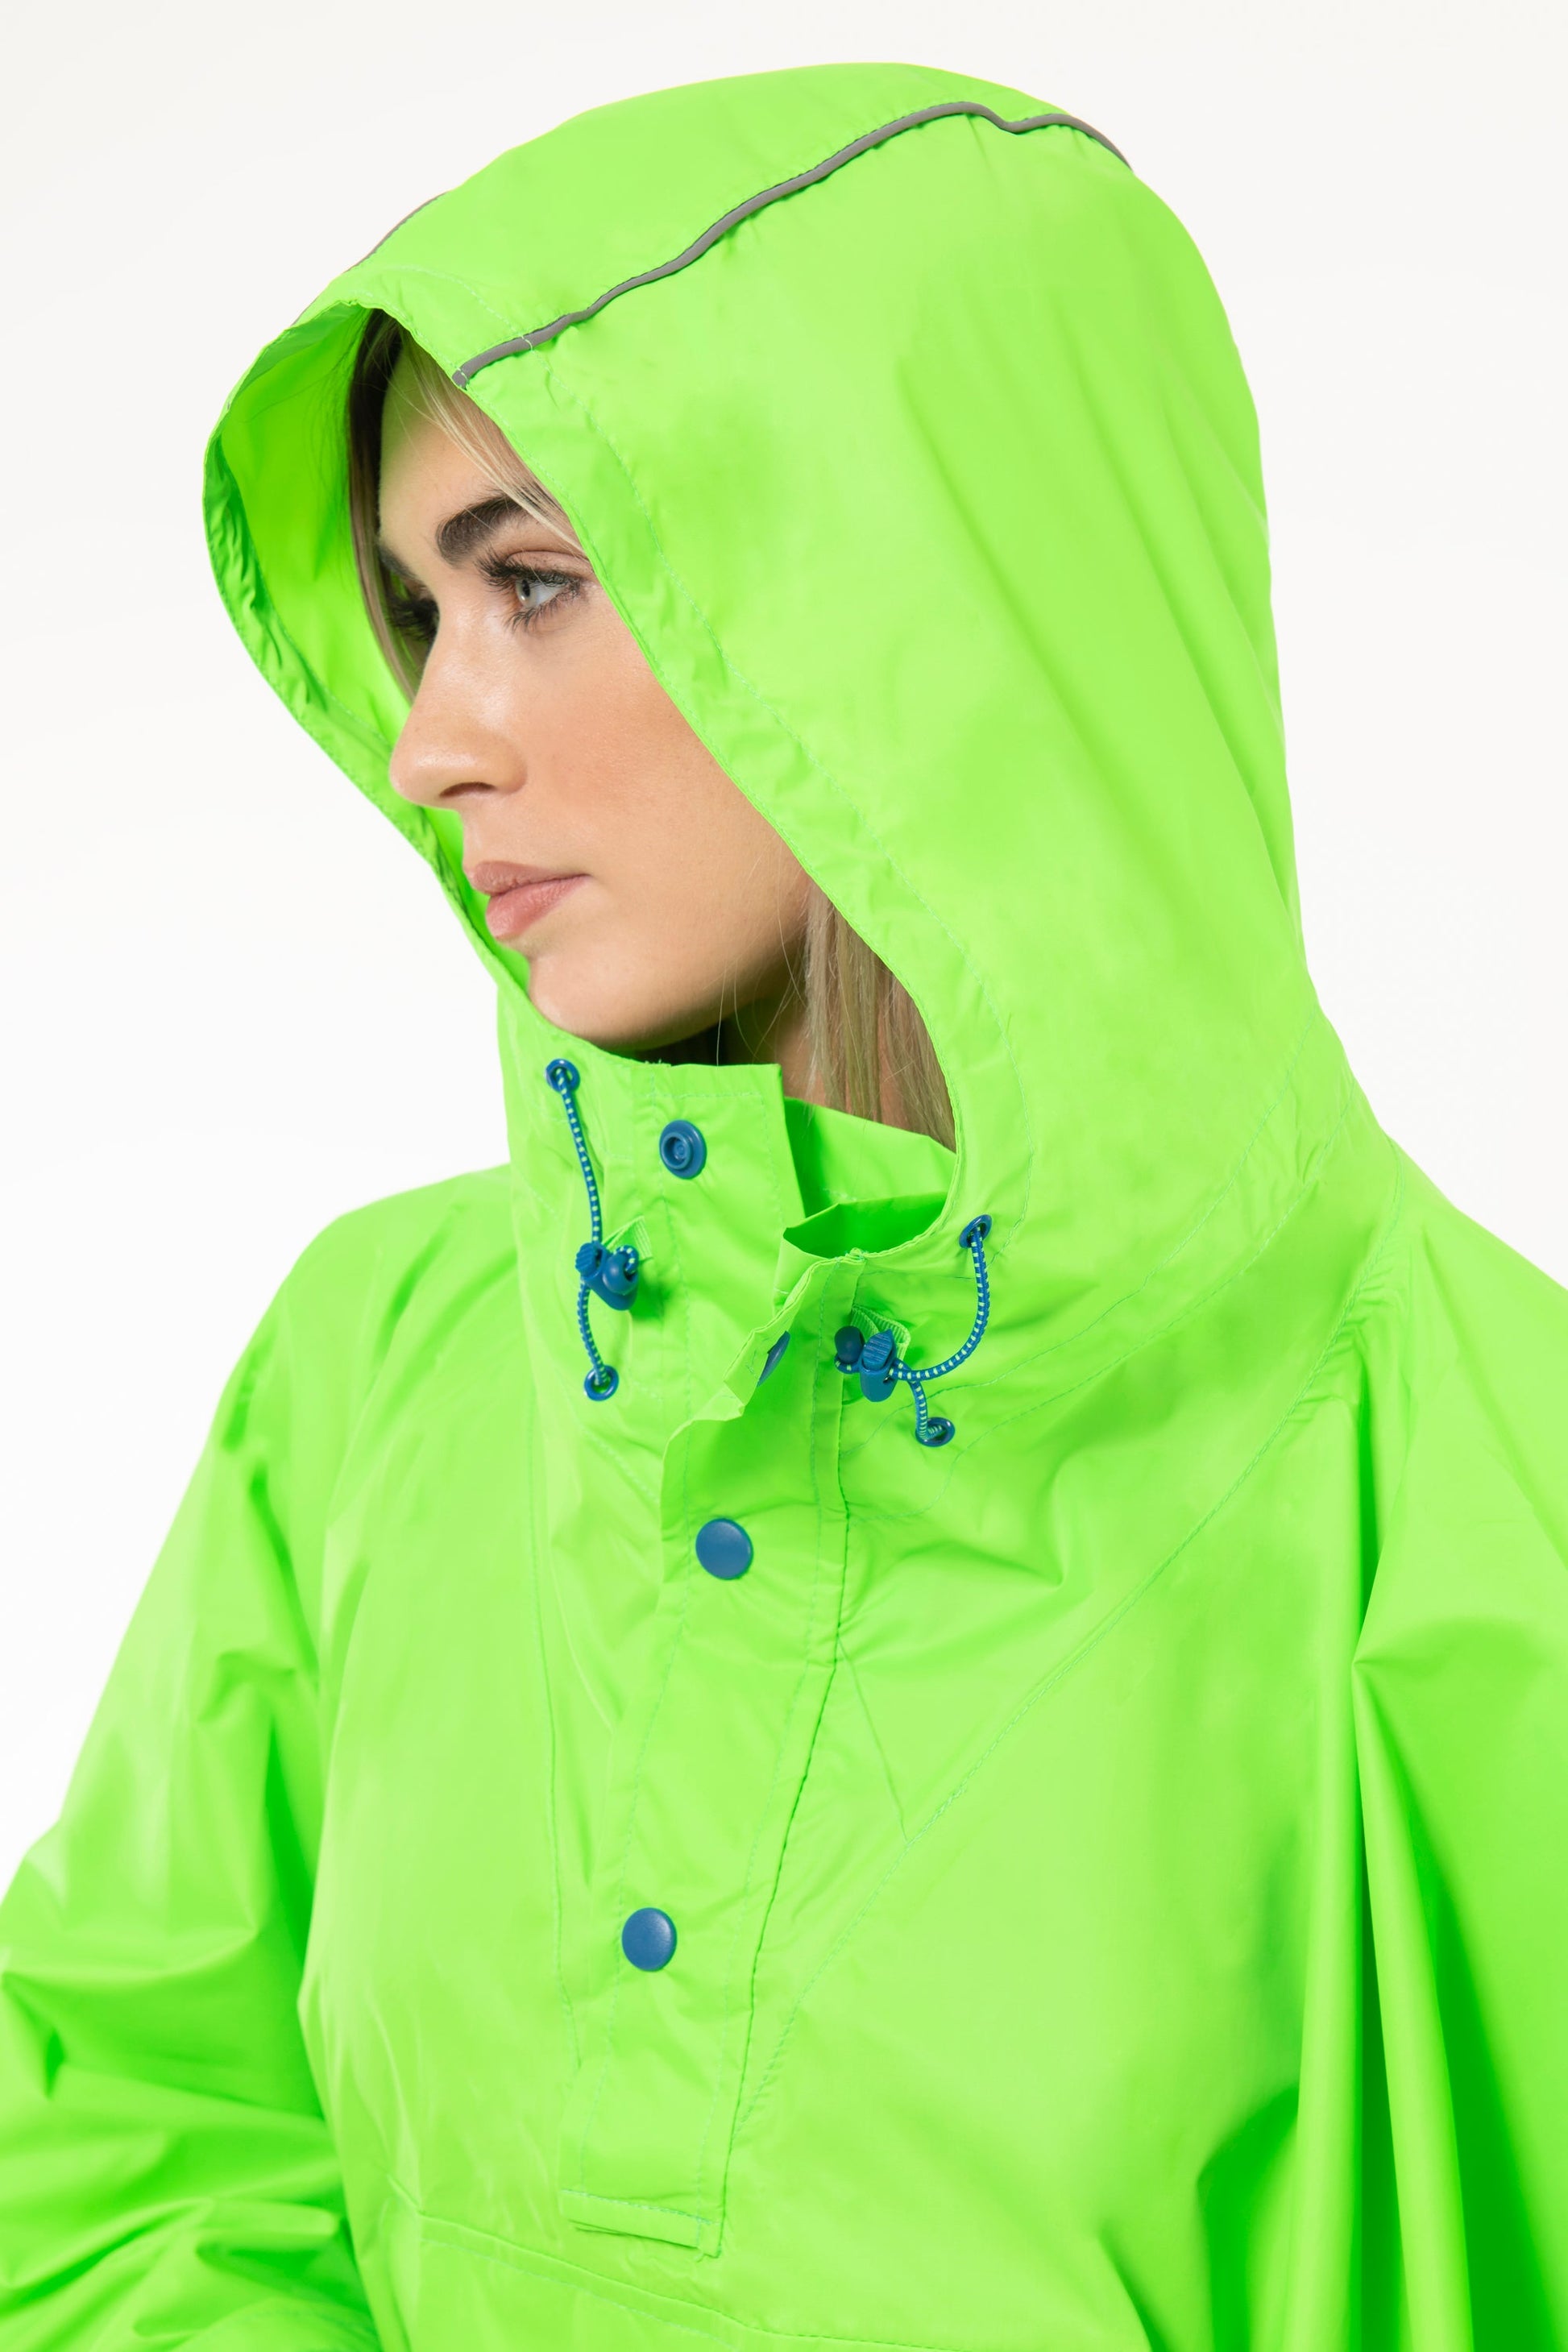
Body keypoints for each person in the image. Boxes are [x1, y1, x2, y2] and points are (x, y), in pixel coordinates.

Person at [1, 56, 1564, 2352]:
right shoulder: (379, 1359)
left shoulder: (1484, 1495)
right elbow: (122, 2143)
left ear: (929, 591)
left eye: (537, 581)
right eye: (418, 613)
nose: (431, 742)